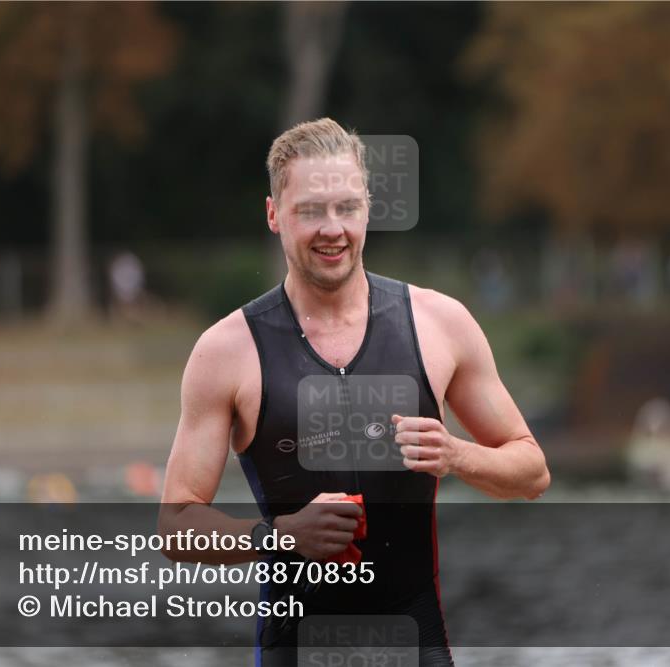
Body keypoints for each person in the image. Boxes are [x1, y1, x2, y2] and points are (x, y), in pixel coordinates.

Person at [159, 118, 550, 665]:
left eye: (346, 207)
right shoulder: (226, 351)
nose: (332, 228)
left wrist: (456, 453)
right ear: (274, 215)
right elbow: (176, 525)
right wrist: (281, 535)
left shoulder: (440, 323)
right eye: (310, 211)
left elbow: (531, 471)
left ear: (368, 206)